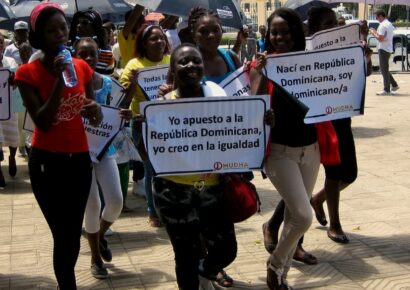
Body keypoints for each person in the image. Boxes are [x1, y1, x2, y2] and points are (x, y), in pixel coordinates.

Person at [15, 3, 102, 289]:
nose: (60, 35)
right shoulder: (27, 74)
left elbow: (94, 113)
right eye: (51, 31)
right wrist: (58, 82)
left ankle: (68, 281)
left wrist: (93, 111)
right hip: (46, 163)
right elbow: (43, 122)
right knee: (62, 233)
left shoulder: (82, 68)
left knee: (71, 233)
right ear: (39, 35)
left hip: (78, 160)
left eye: (63, 28)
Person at [151, 43, 238, 290]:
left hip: (211, 189)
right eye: (183, 61)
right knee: (185, 256)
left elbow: (237, 132)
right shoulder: (161, 106)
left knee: (227, 250)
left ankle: (208, 269)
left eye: (196, 60)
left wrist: (261, 122)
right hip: (174, 193)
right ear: (172, 70)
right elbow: (150, 155)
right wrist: (141, 126)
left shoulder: (218, 97)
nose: (191, 65)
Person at [250, 8, 320, 289]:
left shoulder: (311, 62)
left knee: (294, 217)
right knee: (304, 216)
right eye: (274, 32)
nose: (279, 37)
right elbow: (251, 107)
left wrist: (358, 60)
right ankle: (276, 264)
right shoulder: (261, 65)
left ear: (296, 33)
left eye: (285, 31)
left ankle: (281, 277)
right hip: (279, 152)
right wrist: (262, 74)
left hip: (310, 149)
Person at [73, 37, 131, 279]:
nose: (88, 59)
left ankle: (96, 235)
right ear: (74, 56)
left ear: (99, 56)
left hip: (105, 149)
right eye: (82, 54)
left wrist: (126, 113)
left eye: (92, 54)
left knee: (116, 200)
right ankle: (96, 258)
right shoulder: (69, 84)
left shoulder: (108, 83)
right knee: (92, 204)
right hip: (79, 151)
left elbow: (116, 114)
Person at [309, 7, 358, 244]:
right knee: (334, 170)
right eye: (327, 24)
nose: (334, 29)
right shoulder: (307, 53)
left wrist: (362, 56)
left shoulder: (344, 50)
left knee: (350, 174)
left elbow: (362, 77)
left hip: (342, 116)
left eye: (335, 24)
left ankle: (317, 199)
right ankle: (335, 223)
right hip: (321, 120)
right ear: (316, 29)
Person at [119, 23, 171, 227]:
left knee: (167, 169)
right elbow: (123, 101)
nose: (159, 41)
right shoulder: (133, 65)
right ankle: (153, 212)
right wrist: (133, 83)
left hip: (169, 123)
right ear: (143, 43)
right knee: (151, 169)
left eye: (162, 38)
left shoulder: (171, 61)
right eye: (153, 38)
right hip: (143, 125)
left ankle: (167, 207)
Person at [69, 9, 115, 75]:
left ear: (95, 27)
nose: (79, 25)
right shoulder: (68, 51)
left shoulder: (107, 55)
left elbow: (107, 80)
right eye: (77, 22)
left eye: (85, 22)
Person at [0, 32, 19, 188]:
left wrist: (13, 80)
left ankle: (12, 157)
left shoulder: (10, 61)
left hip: (8, 105)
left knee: (13, 137)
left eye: (0, 42)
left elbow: (16, 80)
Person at [369, 10, 399, 95]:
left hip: (383, 48)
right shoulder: (388, 24)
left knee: (383, 70)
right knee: (385, 69)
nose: (376, 19)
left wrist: (373, 33)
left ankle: (386, 89)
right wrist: (375, 32)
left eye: (377, 17)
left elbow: (380, 38)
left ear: (381, 16)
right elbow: (383, 36)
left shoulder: (383, 25)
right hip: (387, 48)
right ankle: (394, 84)